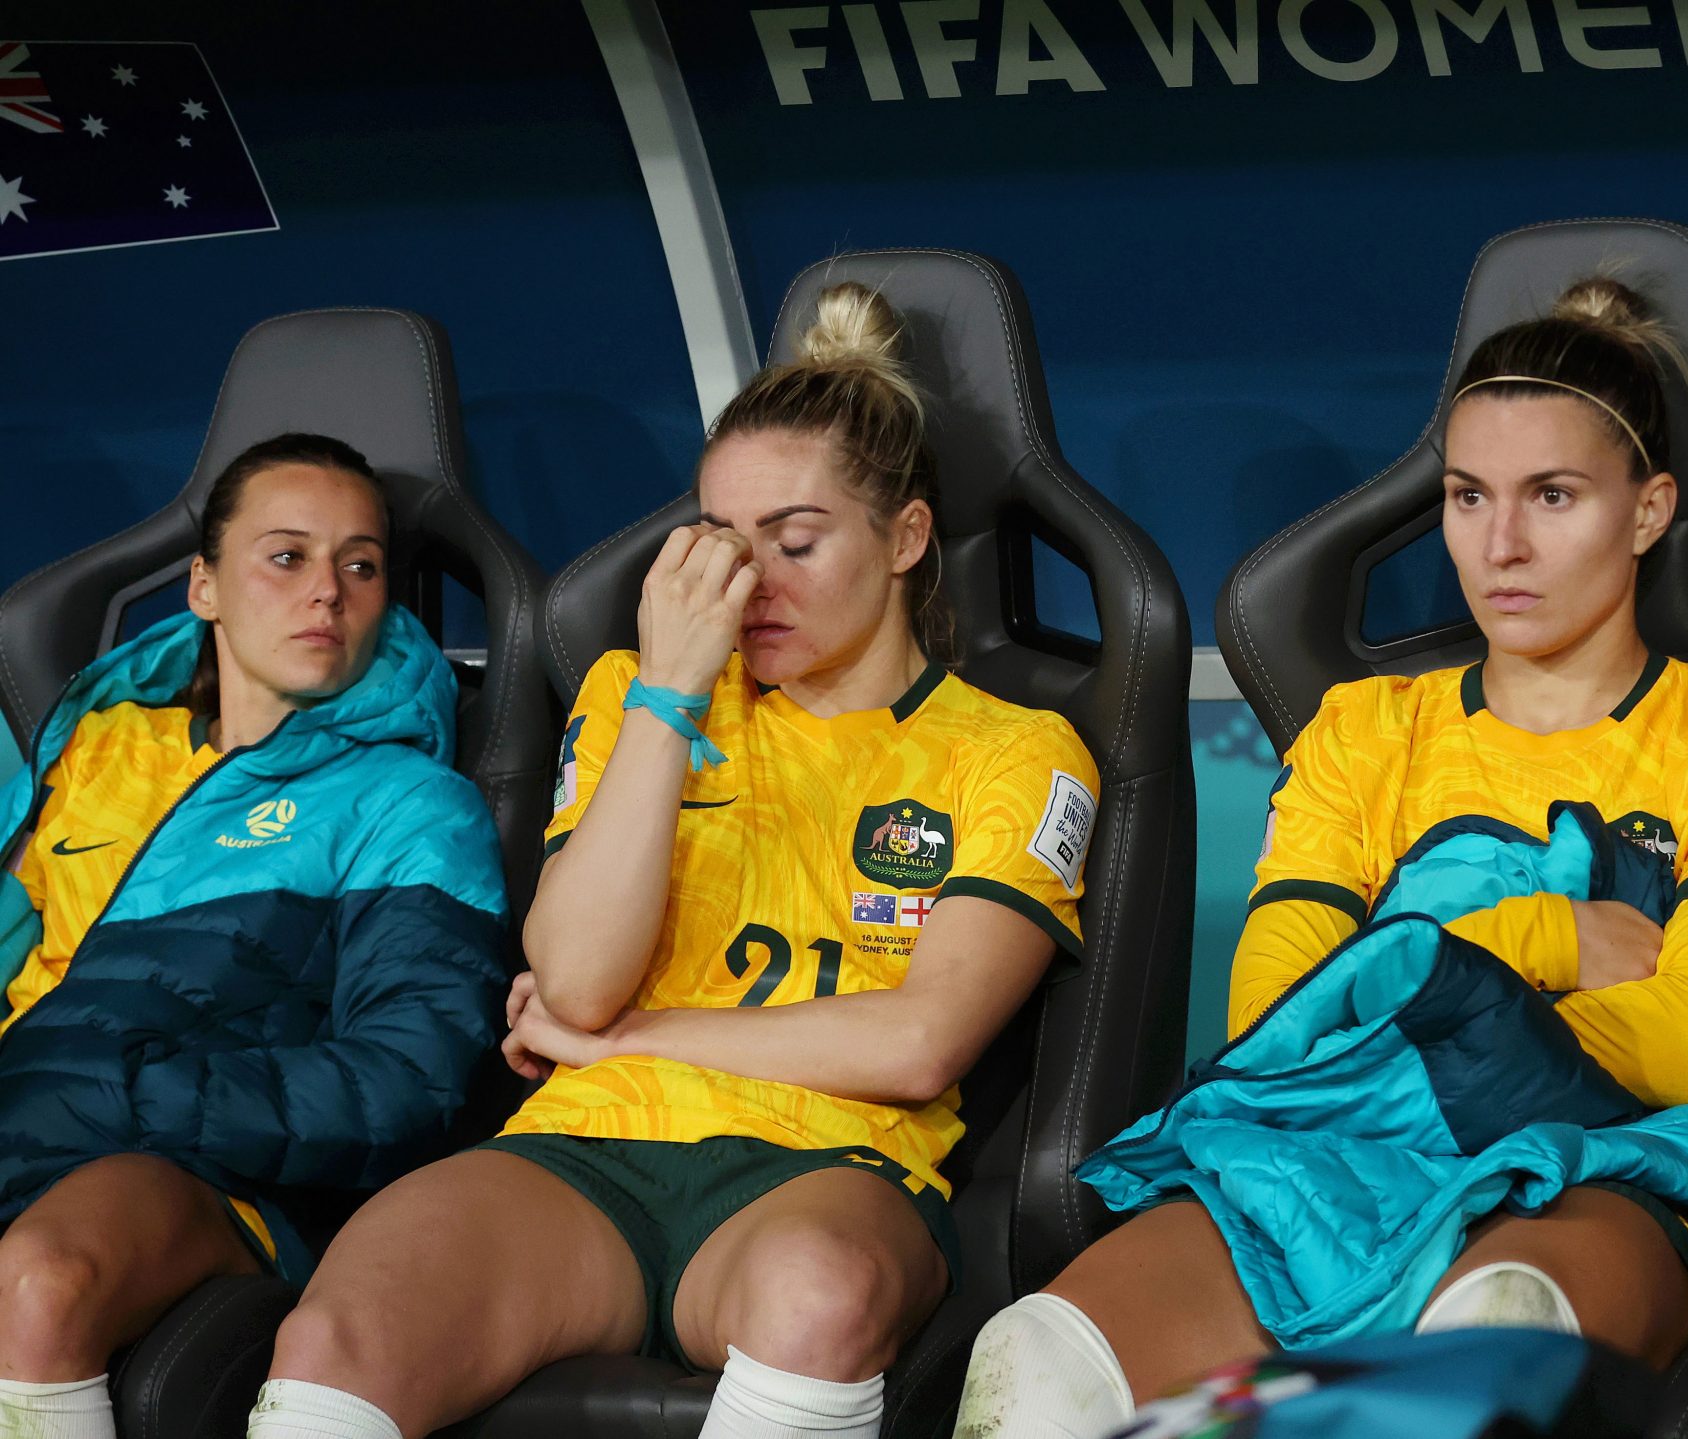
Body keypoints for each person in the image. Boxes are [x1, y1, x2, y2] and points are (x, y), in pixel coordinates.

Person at [955, 277, 1688, 1437]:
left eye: (1552, 495)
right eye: (1468, 496)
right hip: (1325, 1164)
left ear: (1647, 509)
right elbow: (1276, 1019)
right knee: (1029, 1367)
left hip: (1596, 1166)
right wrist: (1540, 938)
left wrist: (1387, 984)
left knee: (1486, 1342)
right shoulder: (1360, 731)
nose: (1500, 544)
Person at [251, 282, 1101, 1439]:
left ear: (905, 538)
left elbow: (917, 1042)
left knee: (818, 1293)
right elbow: (577, 980)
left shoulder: (1012, 748)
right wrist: (668, 695)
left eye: (795, 542)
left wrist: (629, 1035)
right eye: (720, 544)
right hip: (585, 1144)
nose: (750, 585)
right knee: (338, 1331)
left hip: (829, 1157)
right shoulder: (632, 694)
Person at [0, 433, 510, 1439]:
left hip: (211, 1175)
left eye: (360, 565)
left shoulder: (407, 801)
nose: (326, 591)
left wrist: (125, 1092)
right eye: (287, 556)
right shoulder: (98, 748)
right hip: (28, 1123)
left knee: (40, 1282)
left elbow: (409, 1078)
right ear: (204, 586)